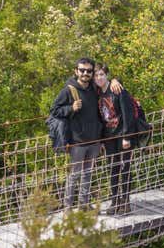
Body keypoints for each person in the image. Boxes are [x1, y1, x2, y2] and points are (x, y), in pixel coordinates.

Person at [50, 58, 122, 210]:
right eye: (82, 70)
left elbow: (106, 82)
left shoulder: (94, 88)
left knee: (88, 174)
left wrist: (115, 79)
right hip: (77, 142)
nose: (85, 73)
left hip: (94, 140)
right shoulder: (68, 90)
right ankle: (68, 208)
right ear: (76, 71)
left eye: (89, 71)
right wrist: (70, 108)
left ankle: (84, 205)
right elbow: (54, 111)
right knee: (74, 175)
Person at [94, 63, 136, 215]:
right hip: (108, 137)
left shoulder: (118, 91)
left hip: (122, 135)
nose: (99, 78)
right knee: (112, 168)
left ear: (107, 75)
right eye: (96, 75)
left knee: (125, 167)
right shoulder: (97, 93)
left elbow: (128, 114)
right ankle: (114, 200)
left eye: (101, 74)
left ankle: (126, 201)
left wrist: (127, 136)